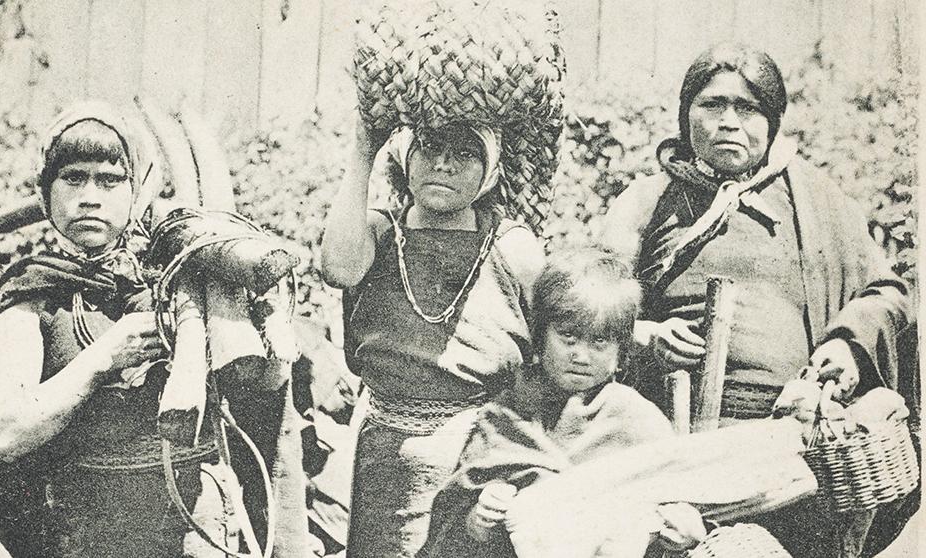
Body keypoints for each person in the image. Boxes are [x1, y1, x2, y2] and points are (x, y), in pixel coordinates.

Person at [598, 43, 912, 557]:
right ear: (685, 115)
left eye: (748, 109)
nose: (729, 122)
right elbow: (587, 303)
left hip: (792, 447)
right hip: (667, 445)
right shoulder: (646, 200)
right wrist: (642, 337)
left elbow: (887, 293)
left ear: (772, 123)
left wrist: (847, 345)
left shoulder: (815, 198)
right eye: (712, 105)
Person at [0, 101, 257, 557]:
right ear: (45, 193)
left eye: (109, 179)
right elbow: (8, 433)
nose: (90, 196)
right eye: (73, 178)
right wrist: (104, 357)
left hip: (198, 523)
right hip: (87, 529)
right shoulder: (33, 294)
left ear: (137, 189)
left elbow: (262, 383)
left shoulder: (187, 279)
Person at [320, 120, 545, 558]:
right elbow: (339, 271)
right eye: (428, 148)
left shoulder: (513, 246)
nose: (443, 163)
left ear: (492, 170)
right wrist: (364, 150)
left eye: (465, 153)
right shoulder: (380, 233)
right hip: (386, 450)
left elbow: (542, 358)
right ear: (405, 160)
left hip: (478, 453)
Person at [419, 249, 706, 558]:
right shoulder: (509, 410)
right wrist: (479, 518)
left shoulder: (638, 419)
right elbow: (452, 525)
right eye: (569, 337)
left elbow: (676, 510)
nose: (581, 355)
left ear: (621, 349)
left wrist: (680, 531)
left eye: (599, 342)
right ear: (541, 334)